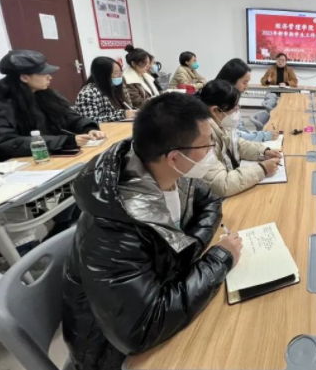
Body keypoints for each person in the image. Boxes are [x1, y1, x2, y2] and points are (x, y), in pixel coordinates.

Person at [62, 93, 243, 370]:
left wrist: (189, 249)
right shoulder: (115, 228)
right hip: (110, 354)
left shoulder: (173, 173)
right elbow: (142, 329)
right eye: (207, 145)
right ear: (174, 157)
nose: (212, 152)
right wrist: (218, 259)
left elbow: (210, 201)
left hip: (164, 295)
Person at [0, 50, 105, 161]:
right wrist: (65, 141)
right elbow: (5, 142)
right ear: (24, 77)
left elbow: (68, 116)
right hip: (12, 164)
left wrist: (88, 128)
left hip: (46, 156)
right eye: (43, 73)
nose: (49, 77)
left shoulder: (45, 95)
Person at [199, 80, 282, 197]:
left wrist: (263, 151)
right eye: (234, 108)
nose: (237, 111)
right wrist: (263, 169)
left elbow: (238, 145)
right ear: (215, 110)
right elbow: (222, 184)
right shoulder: (202, 138)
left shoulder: (221, 125)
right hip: (217, 198)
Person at [216, 58, 277, 142]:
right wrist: (263, 136)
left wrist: (252, 137)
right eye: (244, 83)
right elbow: (232, 135)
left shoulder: (232, 97)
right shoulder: (219, 101)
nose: (247, 87)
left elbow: (240, 127)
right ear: (231, 81)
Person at [75, 57, 137, 123]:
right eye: (116, 73)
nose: (120, 76)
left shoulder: (119, 87)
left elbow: (129, 108)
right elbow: (90, 121)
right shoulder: (88, 94)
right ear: (103, 75)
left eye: (120, 72)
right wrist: (123, 114)